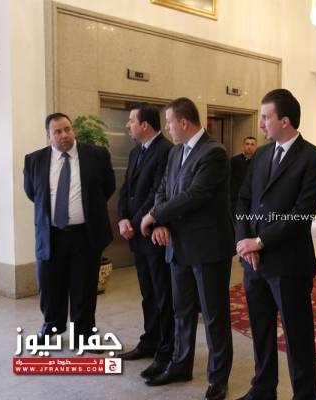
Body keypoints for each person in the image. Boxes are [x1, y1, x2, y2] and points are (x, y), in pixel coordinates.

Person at [235, 88, 316, 400]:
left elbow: (302, 213)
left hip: (288, 264)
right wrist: (244, 241)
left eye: (266, 117)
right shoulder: (262, 155)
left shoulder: (314, 157)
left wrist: (259, 242)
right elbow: (243, 199)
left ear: (285, 121)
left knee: (296, 336)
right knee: (261, 331)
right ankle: (263, 389)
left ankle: (305, 395)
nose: (261, 123)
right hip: (254, 263)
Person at [139, 97, 233, 400]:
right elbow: (163, 189)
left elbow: (195, 195)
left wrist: (154, 215)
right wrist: (160, 221)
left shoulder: (214, 152)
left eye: (169, 122)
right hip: (178, 245)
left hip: (208, 247)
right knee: (181, 311)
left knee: (214, 315)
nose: (167, 127)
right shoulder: (175, 152)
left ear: (183, 122)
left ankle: (218, 379)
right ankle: (180, 365)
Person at [23, 112, 115, 347]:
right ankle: (51, 326)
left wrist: (84, 210)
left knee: (84, 287)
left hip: (85, 234)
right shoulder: (34, 160)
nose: (64, 135)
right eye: (58, 131)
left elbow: (108, 187)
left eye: (67, 129)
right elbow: (33, 193)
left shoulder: (96, 155)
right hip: (51, 235)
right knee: (49, 285)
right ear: (49, 136)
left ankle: (83, 333)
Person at [116, 104, 175, 379]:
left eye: (131, 121)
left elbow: (158, 193)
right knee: (147, 294)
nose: (128, 125)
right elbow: (126, 189)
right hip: (137, 235)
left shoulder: (166, 151)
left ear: (145, 125)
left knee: (163, 295)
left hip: (154, 234)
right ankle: (149, 341)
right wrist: (122, 219)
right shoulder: (135, 151)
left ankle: (166, 350)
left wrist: (138, 220)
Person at [230, 136, 257, 215]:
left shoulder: (259, 161)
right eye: (247, 144)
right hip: (235, 200)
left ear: (256, 146)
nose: (249, 147)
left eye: (252, 144)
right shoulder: (234, 161)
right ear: (243, 145)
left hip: (252, 200)